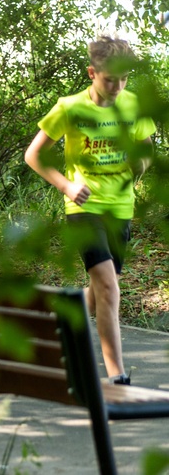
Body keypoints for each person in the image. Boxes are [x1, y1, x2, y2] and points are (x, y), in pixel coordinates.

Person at [25, 35, 155, 385]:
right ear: (92, 73)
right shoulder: (69, 108)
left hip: (120, 210)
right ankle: (117, 377)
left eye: (124, 78)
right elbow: (33, 155)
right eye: (110, 78)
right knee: (110, 289)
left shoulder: (133, 105)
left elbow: (145, 149)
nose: (117, 86)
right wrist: (67, 185)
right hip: (83, 210)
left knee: (99, 293)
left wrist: (139, 165)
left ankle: (65, 323)